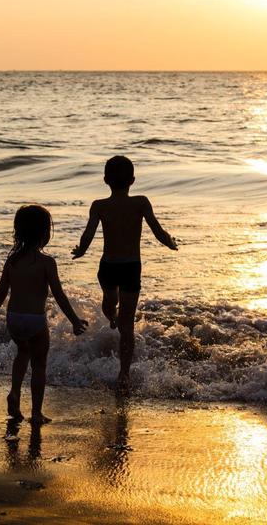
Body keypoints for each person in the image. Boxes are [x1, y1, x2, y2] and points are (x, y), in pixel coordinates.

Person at [72, 156, 177, 390]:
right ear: (132, 180)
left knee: (110, 305)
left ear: (105, 180)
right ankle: (124, 373)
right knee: (125, 323)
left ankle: (113, 324)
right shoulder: (140, 202)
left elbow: (88, 234)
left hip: (109, 266)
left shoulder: (99, 205)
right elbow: (158, 230)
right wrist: (169, 242)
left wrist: (81, 250)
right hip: (130, 267)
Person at [0, 204, 87, 424]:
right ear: (45, 234)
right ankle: (36, 413)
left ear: (19, 232)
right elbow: (59, 295)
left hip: (14, 319)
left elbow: (0, 292)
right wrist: (74, 320)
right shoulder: (47, 263)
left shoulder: (12, 261)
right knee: (39, 364)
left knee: (22, 354)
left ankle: (15, 393)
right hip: (35, 321)